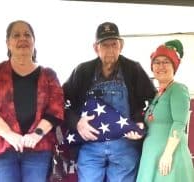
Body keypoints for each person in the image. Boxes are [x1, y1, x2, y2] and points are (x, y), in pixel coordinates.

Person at [62, 21, 156, 182]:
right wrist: (76, 122)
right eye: (105, 45)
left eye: (114, 44)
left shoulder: (133, 69)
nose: (110, 50)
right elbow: (60, 101)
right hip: (90, 146)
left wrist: (140, 122)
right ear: (95, 47)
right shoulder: (82, 71)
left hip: (125, 145)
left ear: (121, 45)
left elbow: (153, 100)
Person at [0, 20, 64, 182]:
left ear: (34, 41)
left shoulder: (49, 75)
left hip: (38, 148)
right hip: (0, 148)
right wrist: (9, 135)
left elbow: (56, 111)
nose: (23, 38)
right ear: (8, 43)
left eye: (27, 34)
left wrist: (36, 135)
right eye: (16, 35)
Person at [136, 39, 194, 182]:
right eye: (157, 62)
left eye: (166, 62)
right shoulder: (157, 95)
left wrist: (167, 154)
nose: (161, 66)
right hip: (151, 157)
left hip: (169, 157)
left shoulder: (178, 90)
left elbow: (179, 123)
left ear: (174, 66)